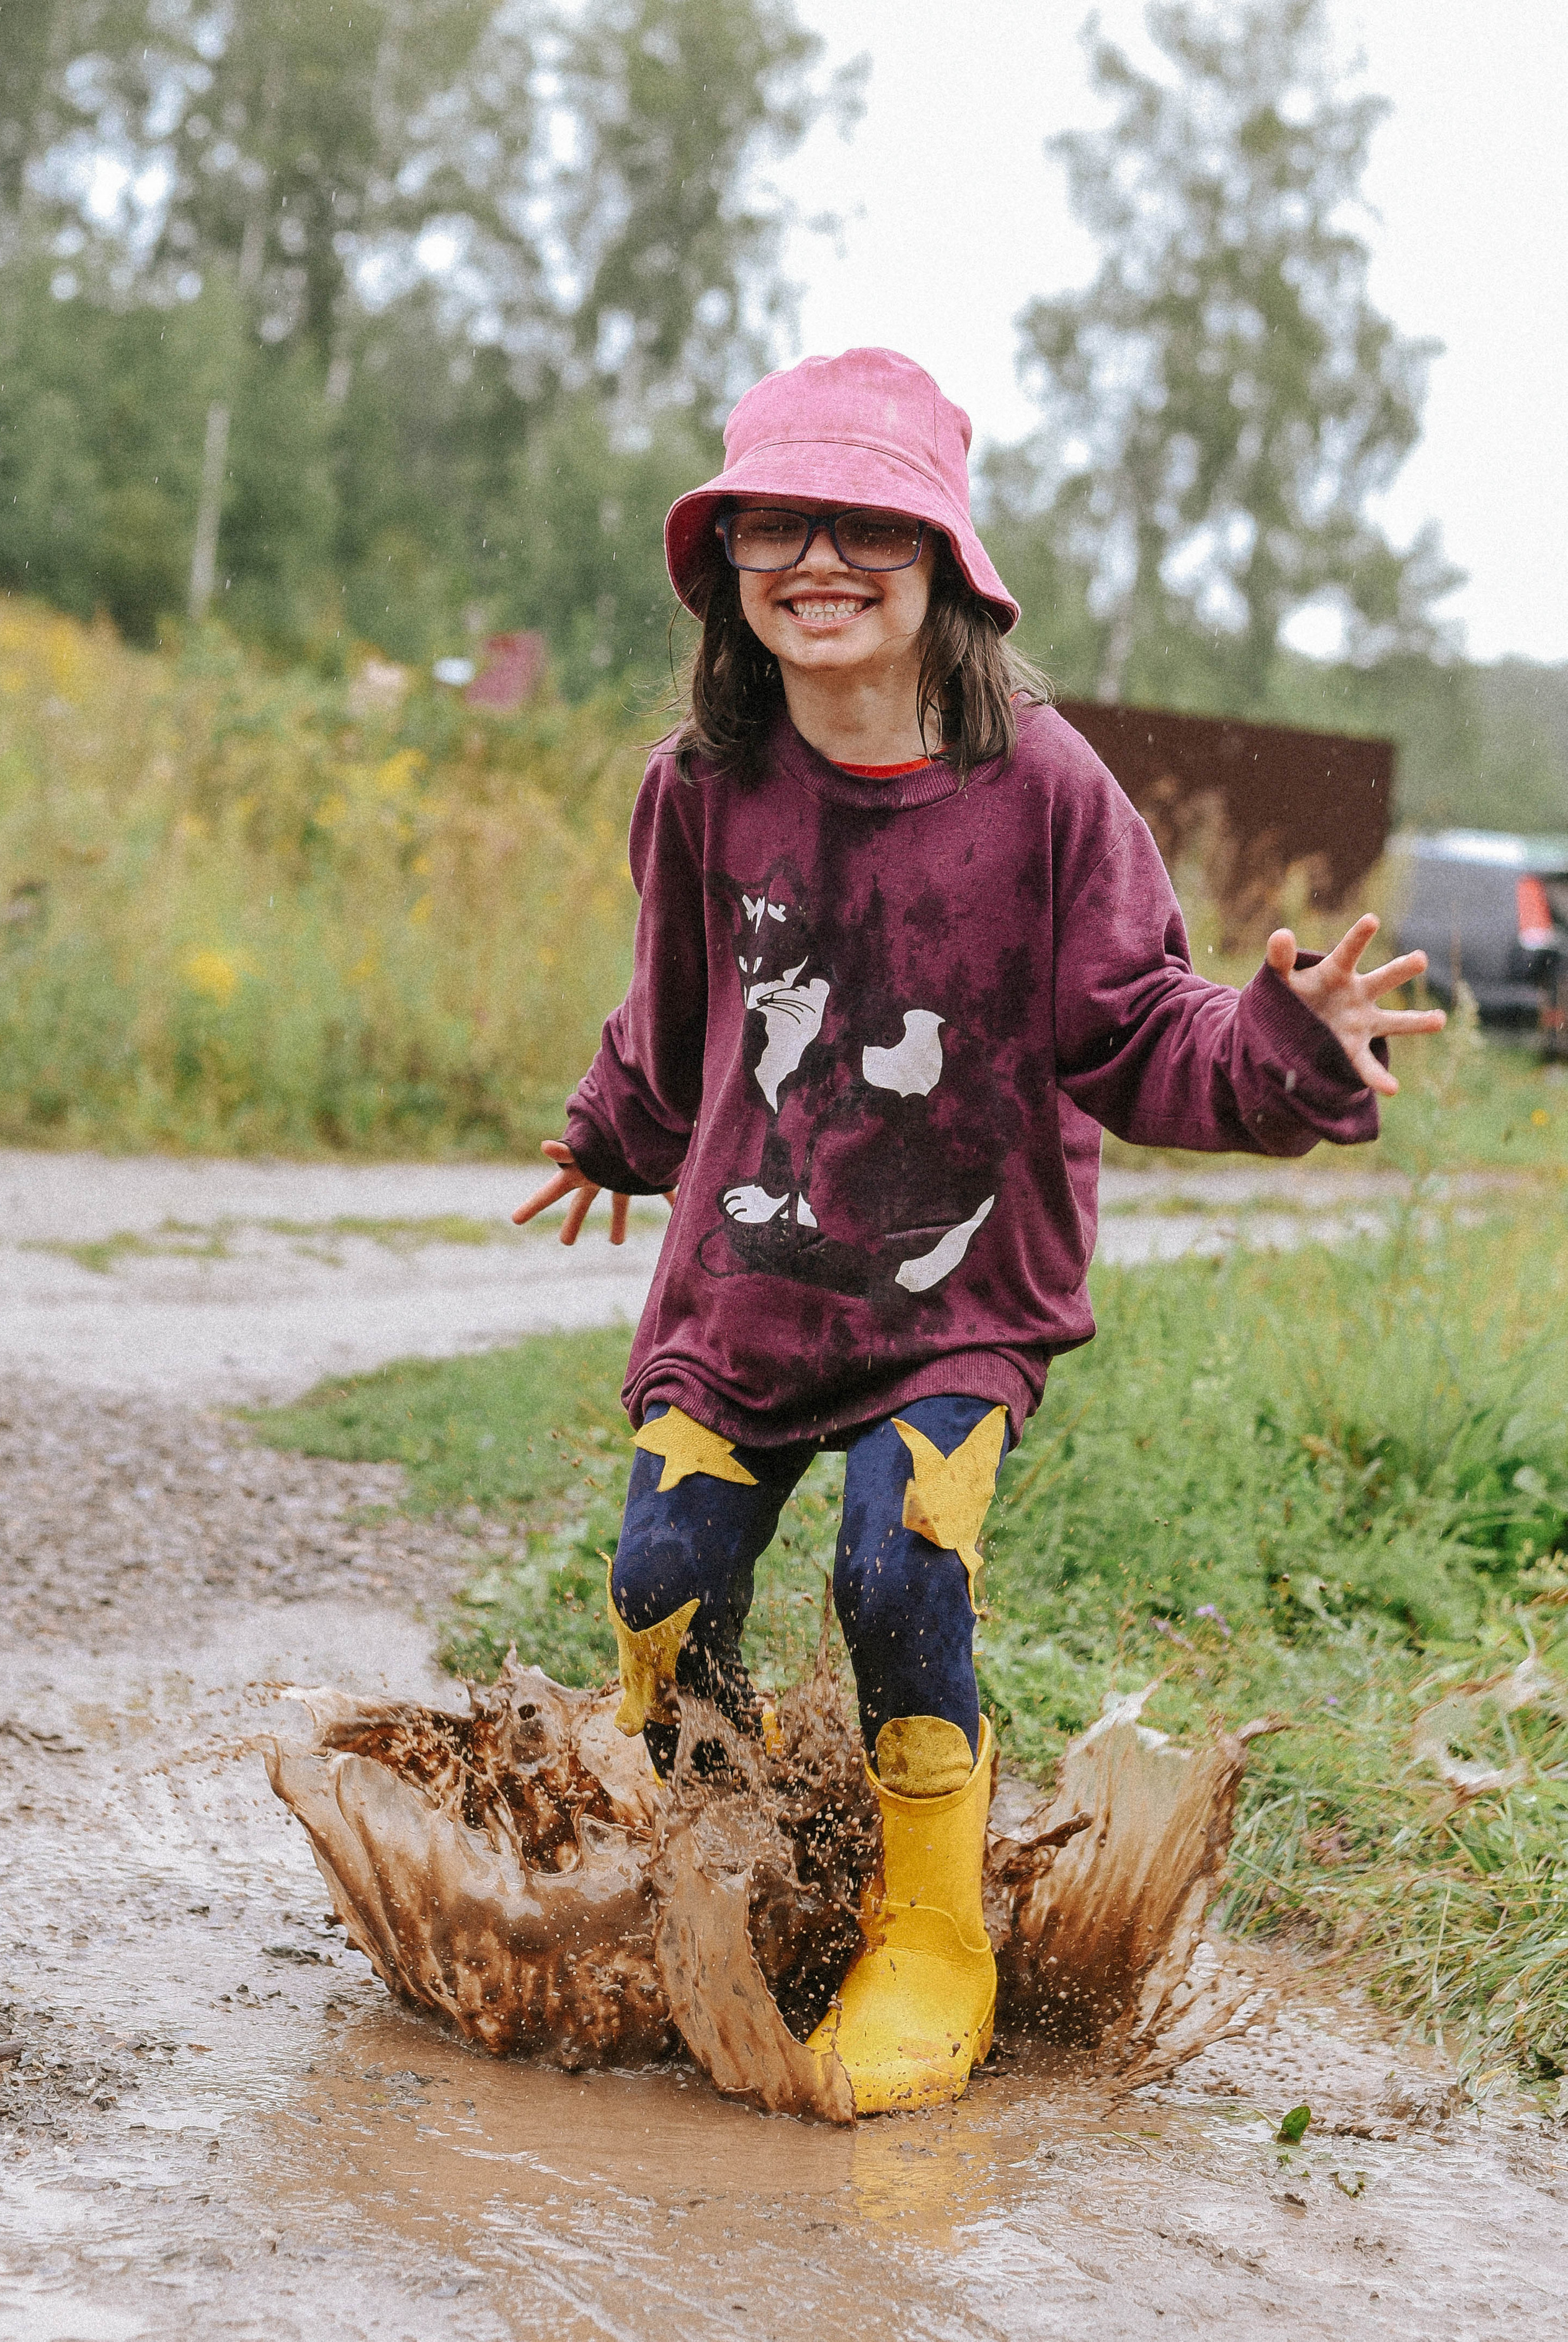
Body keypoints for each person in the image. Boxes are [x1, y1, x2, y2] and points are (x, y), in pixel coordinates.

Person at [513, 346, 1445, 2116]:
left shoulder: (1047, 791)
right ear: (727, 568)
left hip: (956, 1300)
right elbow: (685, 1013)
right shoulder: (701, 787)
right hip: (744, 1291)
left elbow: (1142, 1030)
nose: (819, 562)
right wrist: (609, 1132)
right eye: (777, 524)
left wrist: (1285, 1045)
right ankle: (713, 1880)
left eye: (865, 526)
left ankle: (931, 1933)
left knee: (892, 1569)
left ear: (945, 563)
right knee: (659, 1583)